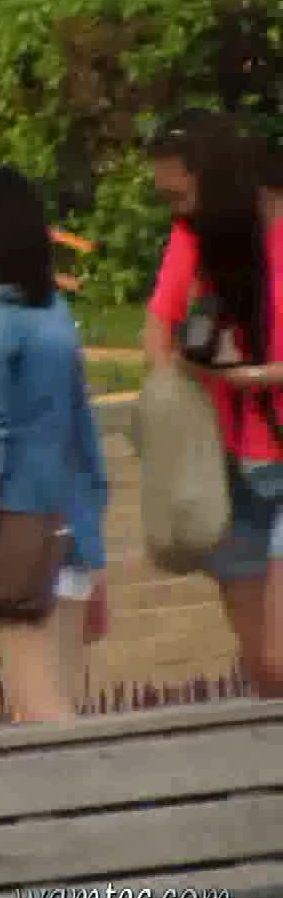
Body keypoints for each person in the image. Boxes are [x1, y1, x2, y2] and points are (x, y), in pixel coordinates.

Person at [0, 166, 108, 724]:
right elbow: (84, 431)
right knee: (65, 698)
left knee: (38, 709)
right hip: (70, 521)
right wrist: (95, 550)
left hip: (16, 524)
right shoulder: (54, 312)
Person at [143, 114, 283, 697]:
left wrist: (259, 376)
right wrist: (186, 371)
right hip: (228, 468)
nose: (177, 211)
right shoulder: (196, 238)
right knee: (263, 670)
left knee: (279, 654)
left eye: (181, 195)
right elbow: (158, 330)